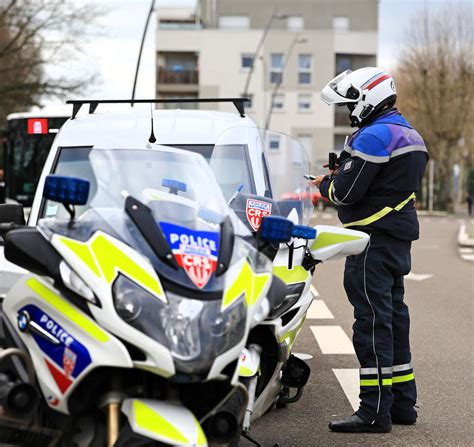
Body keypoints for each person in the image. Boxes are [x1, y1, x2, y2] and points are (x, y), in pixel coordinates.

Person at [311, 67, 428, 433]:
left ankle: (374, 411)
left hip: (370, 242)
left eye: (351, 105)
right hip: (396, 239)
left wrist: (326, 183)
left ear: (367, 98)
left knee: (372, 324)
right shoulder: (408, 132)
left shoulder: (373, 136)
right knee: (393, 319)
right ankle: (402, 404)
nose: (349, 113)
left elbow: (346, 192)